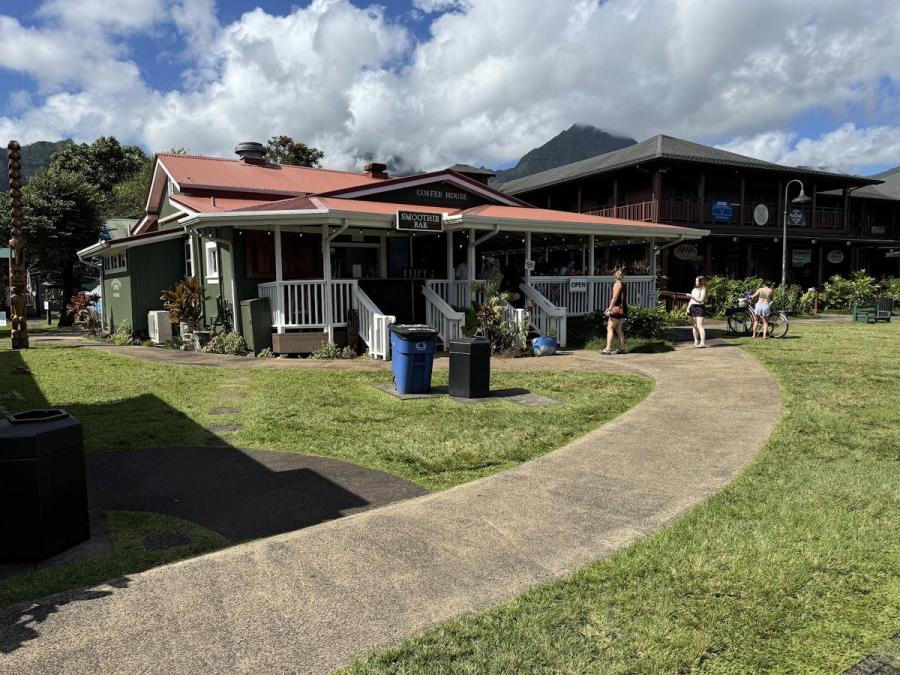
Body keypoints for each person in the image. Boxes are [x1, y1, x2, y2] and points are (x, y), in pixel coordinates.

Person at [601, 268, 627, 355]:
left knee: (610, 328)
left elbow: (615, 298)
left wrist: (609, 308)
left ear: (615, 276)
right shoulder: (624, 285)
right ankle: (622, 348)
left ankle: (608, 348)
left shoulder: (617, 285)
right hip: (623, 309)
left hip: (616, 309)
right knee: (619, 329)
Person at [686, 276, 708, 348]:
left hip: (700, 308)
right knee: (694, 326)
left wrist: (691, 296)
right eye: (696, 281)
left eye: (698, 281)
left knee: (699, 325)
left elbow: (700, 300)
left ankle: (702, 343)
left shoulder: (703, 289)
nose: (696, 282)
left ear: (701, 282)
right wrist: (688, 308)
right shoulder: (694, 289)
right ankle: (696, 341)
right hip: (693, 307)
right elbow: (691, 301)